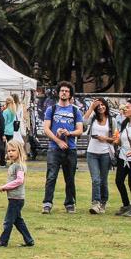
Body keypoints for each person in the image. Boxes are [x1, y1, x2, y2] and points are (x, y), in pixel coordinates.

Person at [41, 81, 83, 214]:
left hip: (70, 148)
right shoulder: (51, 110)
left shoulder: (75, 111)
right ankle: (47, 203)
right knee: (51, 176)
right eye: (62, 91)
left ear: (70, 94)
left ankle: (70, 203)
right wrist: (57, 140)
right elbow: (46, 129)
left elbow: (80, 130)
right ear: (58, 93)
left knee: (70, 177)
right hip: (54, 148)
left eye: (67, 91)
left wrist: (69, 133)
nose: (64, 93)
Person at [0, 139, 34, 247]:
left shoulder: (19, 166)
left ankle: (3, 241)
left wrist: (5, 187)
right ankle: (29, 240)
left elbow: (20, 180)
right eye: (8, 151)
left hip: (16, 199)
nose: (10, 153)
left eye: (13, 150)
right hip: (14, 198)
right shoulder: (13, 165)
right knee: (18, 221)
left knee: (8, 221)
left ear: (19, 151)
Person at [83, 97, 115, 214]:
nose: (101, 107)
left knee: (103, 180)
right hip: (92, 152)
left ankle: (103, 202)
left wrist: (104, 138)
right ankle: (95, 203)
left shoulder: (111, 120)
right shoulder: (93, 118)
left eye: (102, 105)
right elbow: (84, 122)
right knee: (95, 179)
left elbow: (115, 138)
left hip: (105, 152)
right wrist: (91, 108)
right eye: (98, 106)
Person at [0, 96, 16, 166]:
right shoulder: (13, 111)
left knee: (2, 147)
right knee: (11, 147)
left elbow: (4, 122)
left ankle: (2, 162)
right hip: (11, 130)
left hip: (5, 130)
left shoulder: (5, 111)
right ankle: (12, 161)